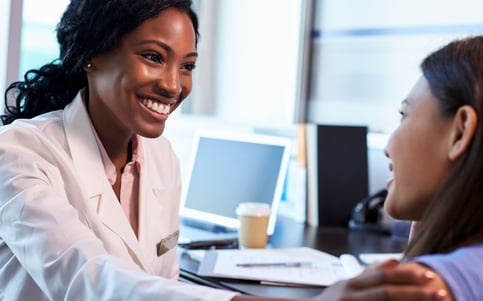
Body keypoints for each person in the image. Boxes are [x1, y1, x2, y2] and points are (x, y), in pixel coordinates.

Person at [0, 0, 454, 300]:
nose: (174, 85)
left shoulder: (162, 159)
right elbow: (85, 278)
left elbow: (163, 283)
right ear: (91, 56)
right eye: (154, 57)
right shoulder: (20, 152)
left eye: (188, 66)